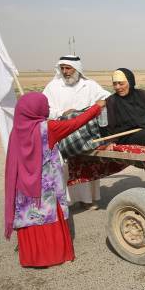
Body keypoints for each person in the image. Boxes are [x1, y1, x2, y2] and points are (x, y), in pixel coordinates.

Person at [4, 92, 105, 267]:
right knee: (49, 217)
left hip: (24, 187)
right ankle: (53, 255)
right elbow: (74, 124)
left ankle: (33, 258)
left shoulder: (17, 129)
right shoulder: (47, 128)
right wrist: (97, 107)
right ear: (35, 109)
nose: (48, 108)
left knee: (30, 219)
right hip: (46, 187)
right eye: (45, 105)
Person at [43, 55, 110, 209]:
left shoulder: (90, 85)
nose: (65, 71)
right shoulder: (53, 86)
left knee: (87, 165)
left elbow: (106, 98)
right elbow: (45, 108)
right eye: (62, 68)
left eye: (68, 68)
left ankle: (88, 200)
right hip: (63, 133)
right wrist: (61, 113)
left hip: (87, 133)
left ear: (77, 68)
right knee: (64, 167)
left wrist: (96, 108)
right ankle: (65, 202)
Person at [105, 68, 145, 146]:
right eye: (115, 84)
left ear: (130, 82)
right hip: (126, 136)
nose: (117, 87)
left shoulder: (144, 95)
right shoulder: (111, 101)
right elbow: (111, 125)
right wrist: (111, 141)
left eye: (121, 84)